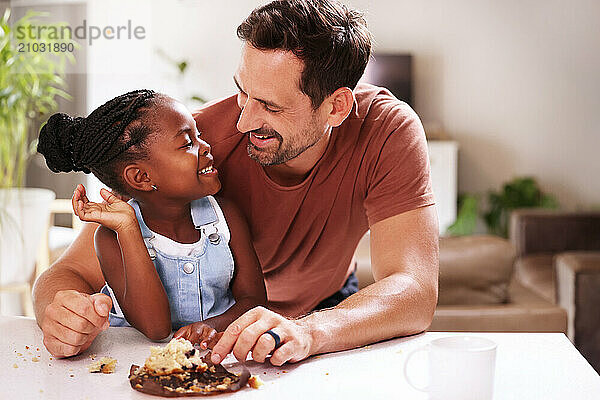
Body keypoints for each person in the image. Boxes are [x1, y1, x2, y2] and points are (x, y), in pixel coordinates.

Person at [33, 0, 439, 365]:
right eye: (243, 92)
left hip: (325, 311)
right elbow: (65, 273)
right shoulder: (190, 154)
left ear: (336, 107)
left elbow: (415, 290)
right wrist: (61, 312)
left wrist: (309, 331)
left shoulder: (386, 132)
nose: (243, 121)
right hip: (215, 326)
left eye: (270, 105)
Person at [36, 90, 266, 350]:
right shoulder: (111, 237)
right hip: (129, 363)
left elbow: (254, 300)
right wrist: (128, 228)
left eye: (199, 136)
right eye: (187, 144)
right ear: (141, 178)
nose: (206, 147)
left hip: (209, 361)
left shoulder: (225, 218)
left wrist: (214, 326)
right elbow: (156, 329)